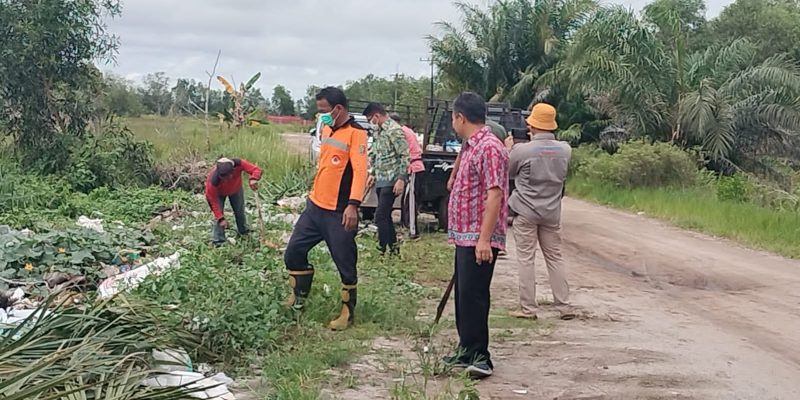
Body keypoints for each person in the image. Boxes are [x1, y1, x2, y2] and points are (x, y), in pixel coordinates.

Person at [283, 87, 369, 331]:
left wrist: (353, 205)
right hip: (315, 207)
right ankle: (299, 295)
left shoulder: (356, 134)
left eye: (324, 110)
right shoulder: (329, 129)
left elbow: (360, 172)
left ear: (338, 108)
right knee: (293, 253)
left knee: (345, 264)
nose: (321, 115)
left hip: (339, 211)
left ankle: (348, 312)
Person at [443, 92, 509, 379]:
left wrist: (485, 239)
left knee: (476, 295)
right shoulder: (470, 146)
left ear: (460, 117)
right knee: (464, 295)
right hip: (464, 235)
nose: (452, 123)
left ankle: (481, 356)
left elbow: (495, 194)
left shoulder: (490, 147)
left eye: (453, 118)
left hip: (478, 236)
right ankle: (466, 348)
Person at [505, 103, 571, 319]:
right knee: (555, 257)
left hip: (526, 211)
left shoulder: (522, 150)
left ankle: (528, 308)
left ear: (531, 125)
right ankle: (563, 305)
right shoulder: (565, 150)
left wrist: (509, 148)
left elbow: (509, 172)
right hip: (552, 212)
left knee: (526, 259)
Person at [363, 103, 409, 256]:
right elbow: (378, 155)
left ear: (377, 116)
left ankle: (382, 248)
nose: (371, 122)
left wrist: (401, 179)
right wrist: (372, 174)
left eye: (371, 119)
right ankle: (394, 249)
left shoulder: (394, 130)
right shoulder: (379, 132)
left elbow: (404, 156)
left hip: (392, 179)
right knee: (386, 216)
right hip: (381, 178)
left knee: (380, 216)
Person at [204, 157, 262, 245]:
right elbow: (212, 200)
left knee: (239, 212)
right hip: (219, 194)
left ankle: (243, 232)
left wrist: (254, 178)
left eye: (227, 177)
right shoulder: (213, 180)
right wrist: (221, 218)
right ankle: (219, 241)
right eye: (222, 178)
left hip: (236, 189)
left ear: (232, 171)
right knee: (218, 217)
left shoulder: (239, 164)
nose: (225, 180)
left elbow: (256, 169)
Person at [390, 112, 425, 239]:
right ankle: (407, 227)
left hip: (413, 167)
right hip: (412, 167)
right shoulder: (406, 130)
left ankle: (413, 232)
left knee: (410, 201)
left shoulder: (400, 132)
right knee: (406, 201)